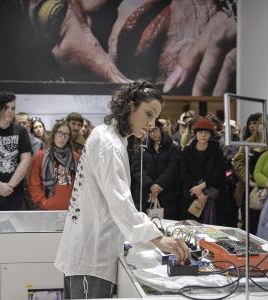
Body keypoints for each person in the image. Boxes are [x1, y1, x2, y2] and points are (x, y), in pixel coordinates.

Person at [54, 81, 190, 299]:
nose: (151, 123)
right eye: (148, 113)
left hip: (87, 249)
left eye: (155, 117)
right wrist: (158, 239)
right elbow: (119, 203)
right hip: (92, 256)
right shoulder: (109, 143)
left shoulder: (107, 136)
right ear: (129, 107)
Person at [179, 117, 229, 225]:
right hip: (191, 194)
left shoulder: (216, 150)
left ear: (211, 134)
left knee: (212, 227)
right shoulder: (187, 150)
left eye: (206, 132)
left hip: (213, 194)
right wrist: (197, 191)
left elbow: (219, 172)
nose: (203, 135)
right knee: (191, 226)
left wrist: (202, 186)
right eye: (200, 132)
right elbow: (183, 173)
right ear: (195, 133)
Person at [233, 114, 268, 233]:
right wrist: (248, 179)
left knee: (266, 223)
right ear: (258, 125)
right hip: (248, 187)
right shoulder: (249, 142)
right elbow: (237, 162)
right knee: (249, 222)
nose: (265, 127)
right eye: (262, 124)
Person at [131, 119, 181, 219]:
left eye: (155, 129)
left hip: (166, 191)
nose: (153, 133)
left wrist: (158, 185)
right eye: (149, 131)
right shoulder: (141, 146)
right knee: (145, 223)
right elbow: (136, 168)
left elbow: (173, 168)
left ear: (161, 129)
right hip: (144, 192)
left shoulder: (173, 147)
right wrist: (150, 185)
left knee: (166, 224)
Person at [29, 120, 79, 210]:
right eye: (60, 133)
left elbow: (81, 184)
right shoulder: (41, 156)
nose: (62, 137)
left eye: (66, 134)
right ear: (54, 134)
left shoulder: (76, 157)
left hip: (71, 210)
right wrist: (44, 202)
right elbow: (34, 184)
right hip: (47, 210)